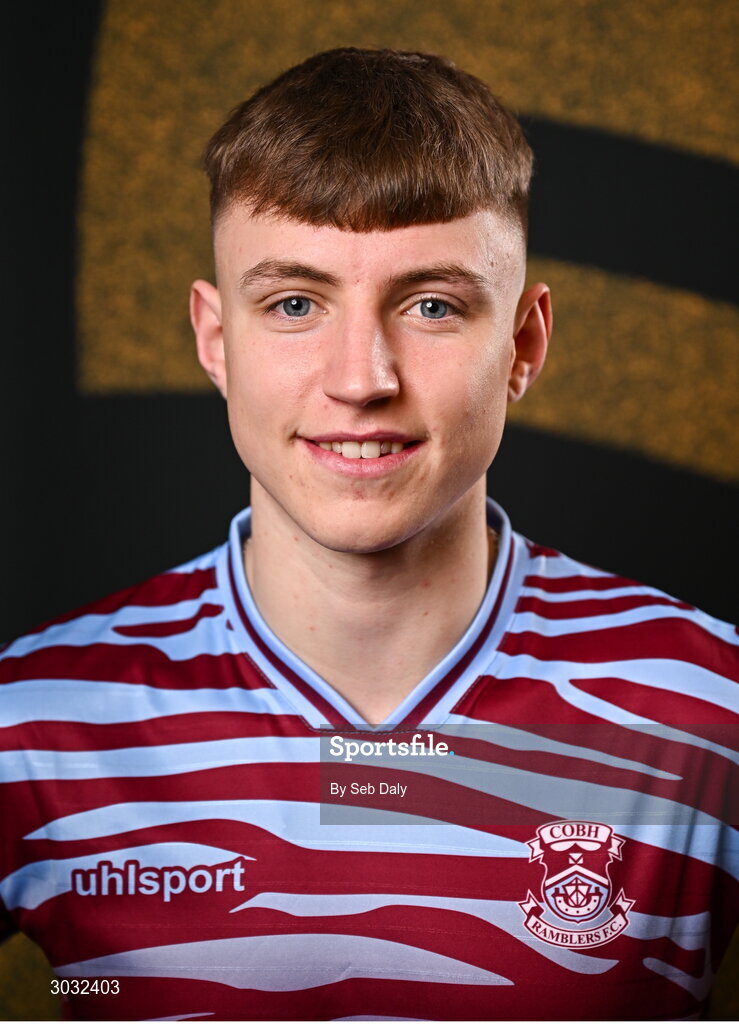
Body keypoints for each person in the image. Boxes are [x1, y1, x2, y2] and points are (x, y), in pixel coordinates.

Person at [0, 47, 736, 1022]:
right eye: (295, 303)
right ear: (216, 339)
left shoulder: (705, 709)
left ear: (522, 344)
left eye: (430, 304)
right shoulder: (36, 723)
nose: (360, 377)